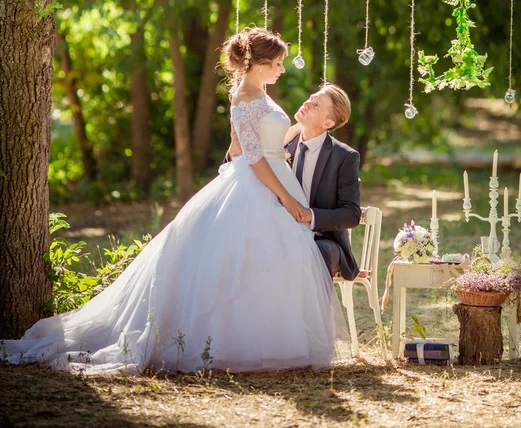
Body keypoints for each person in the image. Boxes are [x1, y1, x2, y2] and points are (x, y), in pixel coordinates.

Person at [3, 27, 348, 375]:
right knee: (237, 261)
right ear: (258, 64)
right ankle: (223, 344)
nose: (281, 69)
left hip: (266, 180)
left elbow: (251, 144)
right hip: (257, 185)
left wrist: (277, 146)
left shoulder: (257, 92)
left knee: (267, 261)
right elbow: (256, 159)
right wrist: (287, 199)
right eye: (277, 63)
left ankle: (269, 341)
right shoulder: (245, 97)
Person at [228, 83, 361, 280]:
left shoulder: (344, 157)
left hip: (322, 238)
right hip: (276, 231)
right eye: (311, 98)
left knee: (314, 252)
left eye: (316, 106)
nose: (307, 103)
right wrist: (234, 147)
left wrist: (309, 215)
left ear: (327, 124)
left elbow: (351, 214)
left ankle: (311, 311)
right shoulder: (280, 144)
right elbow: (243, 164)